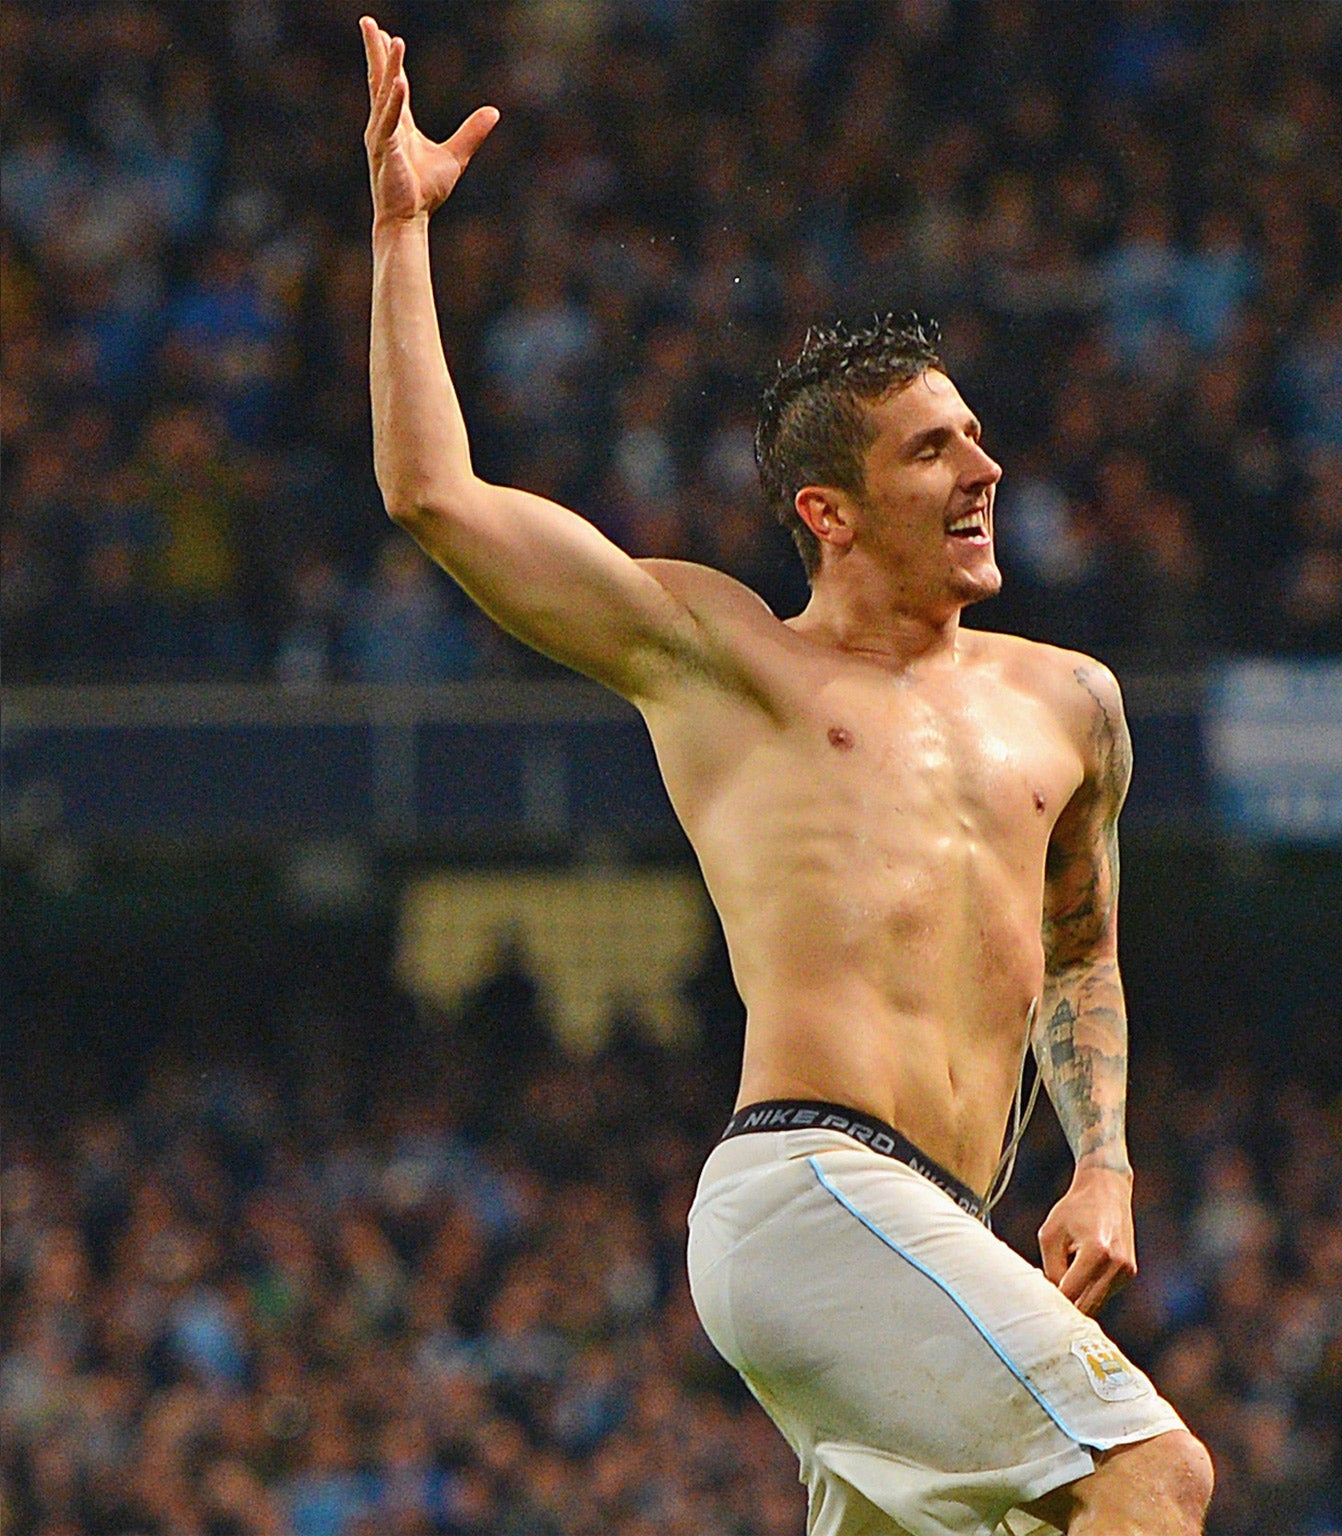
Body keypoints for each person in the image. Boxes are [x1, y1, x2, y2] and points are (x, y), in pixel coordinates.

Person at [357, 20, 1211, 1536]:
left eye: (980, 435)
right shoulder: (726, 663)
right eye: (935, 450)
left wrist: (1108, 1168)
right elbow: (436, 495)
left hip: (949, 1232)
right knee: (1153, 1474)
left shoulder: (1071, 704)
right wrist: (403, 232)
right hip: (810, 1188)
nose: (985, 468)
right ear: (828, 508)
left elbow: (1084, 953)